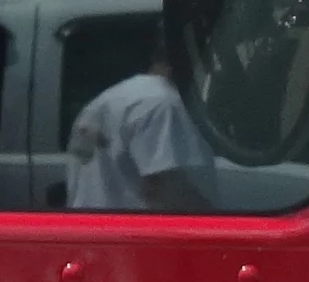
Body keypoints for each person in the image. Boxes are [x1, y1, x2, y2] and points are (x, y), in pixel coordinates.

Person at [65, 54, 216, 212]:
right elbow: (164, 186)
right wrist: (216, 223)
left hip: (90, 227)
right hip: (137, 230)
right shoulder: (162, 103)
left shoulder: (104, 101)